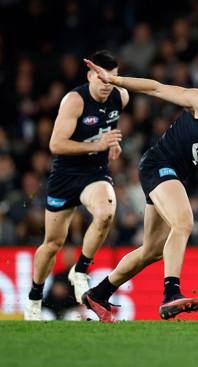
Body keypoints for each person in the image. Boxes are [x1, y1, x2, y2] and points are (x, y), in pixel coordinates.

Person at [81, 59, 198, 323]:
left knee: (151, 250)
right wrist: (114, 80)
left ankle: (98, 293)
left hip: (173, 177)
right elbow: (156, 89)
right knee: (184, 222)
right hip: (157, 165)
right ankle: (171, 294)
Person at [24, 50, 129, 321]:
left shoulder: (122, 96)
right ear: (89, 75)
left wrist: (113, 143)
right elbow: (55, 144)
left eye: (112, 79)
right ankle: (34, 300)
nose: (107, 84)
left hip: (95, 172)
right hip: (65, 175)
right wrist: (100, 145)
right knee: (52, 244)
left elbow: (107, 124)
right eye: (101, 78)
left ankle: (80, 270)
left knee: (106, 212)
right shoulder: (74, 100)